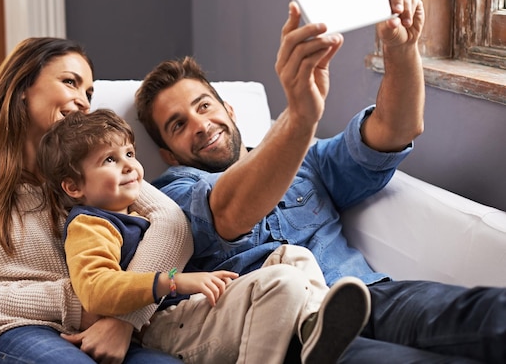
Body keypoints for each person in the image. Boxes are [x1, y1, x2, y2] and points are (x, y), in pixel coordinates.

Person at [134, 0, 506, 362]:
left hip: (371, 295)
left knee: (493, 316)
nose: (200, 125)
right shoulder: (171, 194)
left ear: (230, 111)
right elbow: (230, 212)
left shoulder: (308, 160)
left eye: (204, 106)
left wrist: (401, 48)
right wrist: (300, 117)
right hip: (292, 331)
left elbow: (394, 131)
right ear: (168, 154)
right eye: (178, 124)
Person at [0, 37, 192, 364]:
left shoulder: (90, 177)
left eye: (89, 93)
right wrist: (75, 301)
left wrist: (124, 320)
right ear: (23, 86)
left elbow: (173, 224)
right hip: (20, 331)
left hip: (105, 327)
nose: (83, 102)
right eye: (70, 83)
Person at [37, 108, 372, 364]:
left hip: (187, 311)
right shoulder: (90, 225)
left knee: (293, 256)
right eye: (110, 160)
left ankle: (312, 326)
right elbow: (95, 290)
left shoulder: (135, 213)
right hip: (163, 327)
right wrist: (174, 281)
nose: (128, 166)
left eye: (128, 154)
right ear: (74, 186)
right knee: (281, 282)